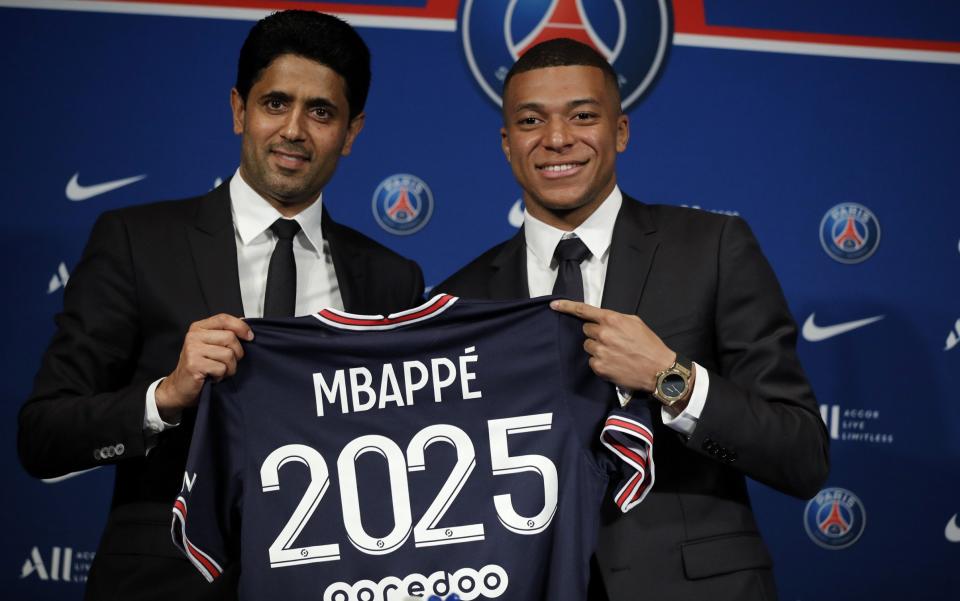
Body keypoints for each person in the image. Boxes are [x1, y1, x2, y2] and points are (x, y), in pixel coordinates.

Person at [18, 10, 423, 601]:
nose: (293, 131)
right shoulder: (138, 242)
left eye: (321, 112)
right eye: (275, 103)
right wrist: (167, 396)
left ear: (352, 132)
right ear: (239, 110)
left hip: (328, 583)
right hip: (163, 584)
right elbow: (43, 437)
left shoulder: (391, 279)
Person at [437, 38, 829, 601]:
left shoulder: (712, 248)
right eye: (531, 120)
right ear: (506, 143)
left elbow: (802, 456)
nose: (556, 139)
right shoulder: (461, 299)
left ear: (619, 131)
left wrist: (671, 379)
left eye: (583, 116)